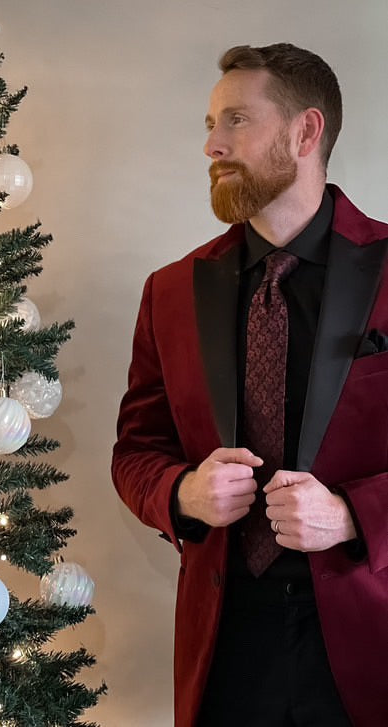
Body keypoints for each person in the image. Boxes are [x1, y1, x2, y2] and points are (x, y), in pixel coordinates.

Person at [111, 43, 388, 727]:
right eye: (209, 123)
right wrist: (181, 492)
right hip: (223, 645)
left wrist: (354, 514)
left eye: (235, 119)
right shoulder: (169, 292)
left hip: (370, 637)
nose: (211, 144)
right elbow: (135, 450)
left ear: (305, 131)